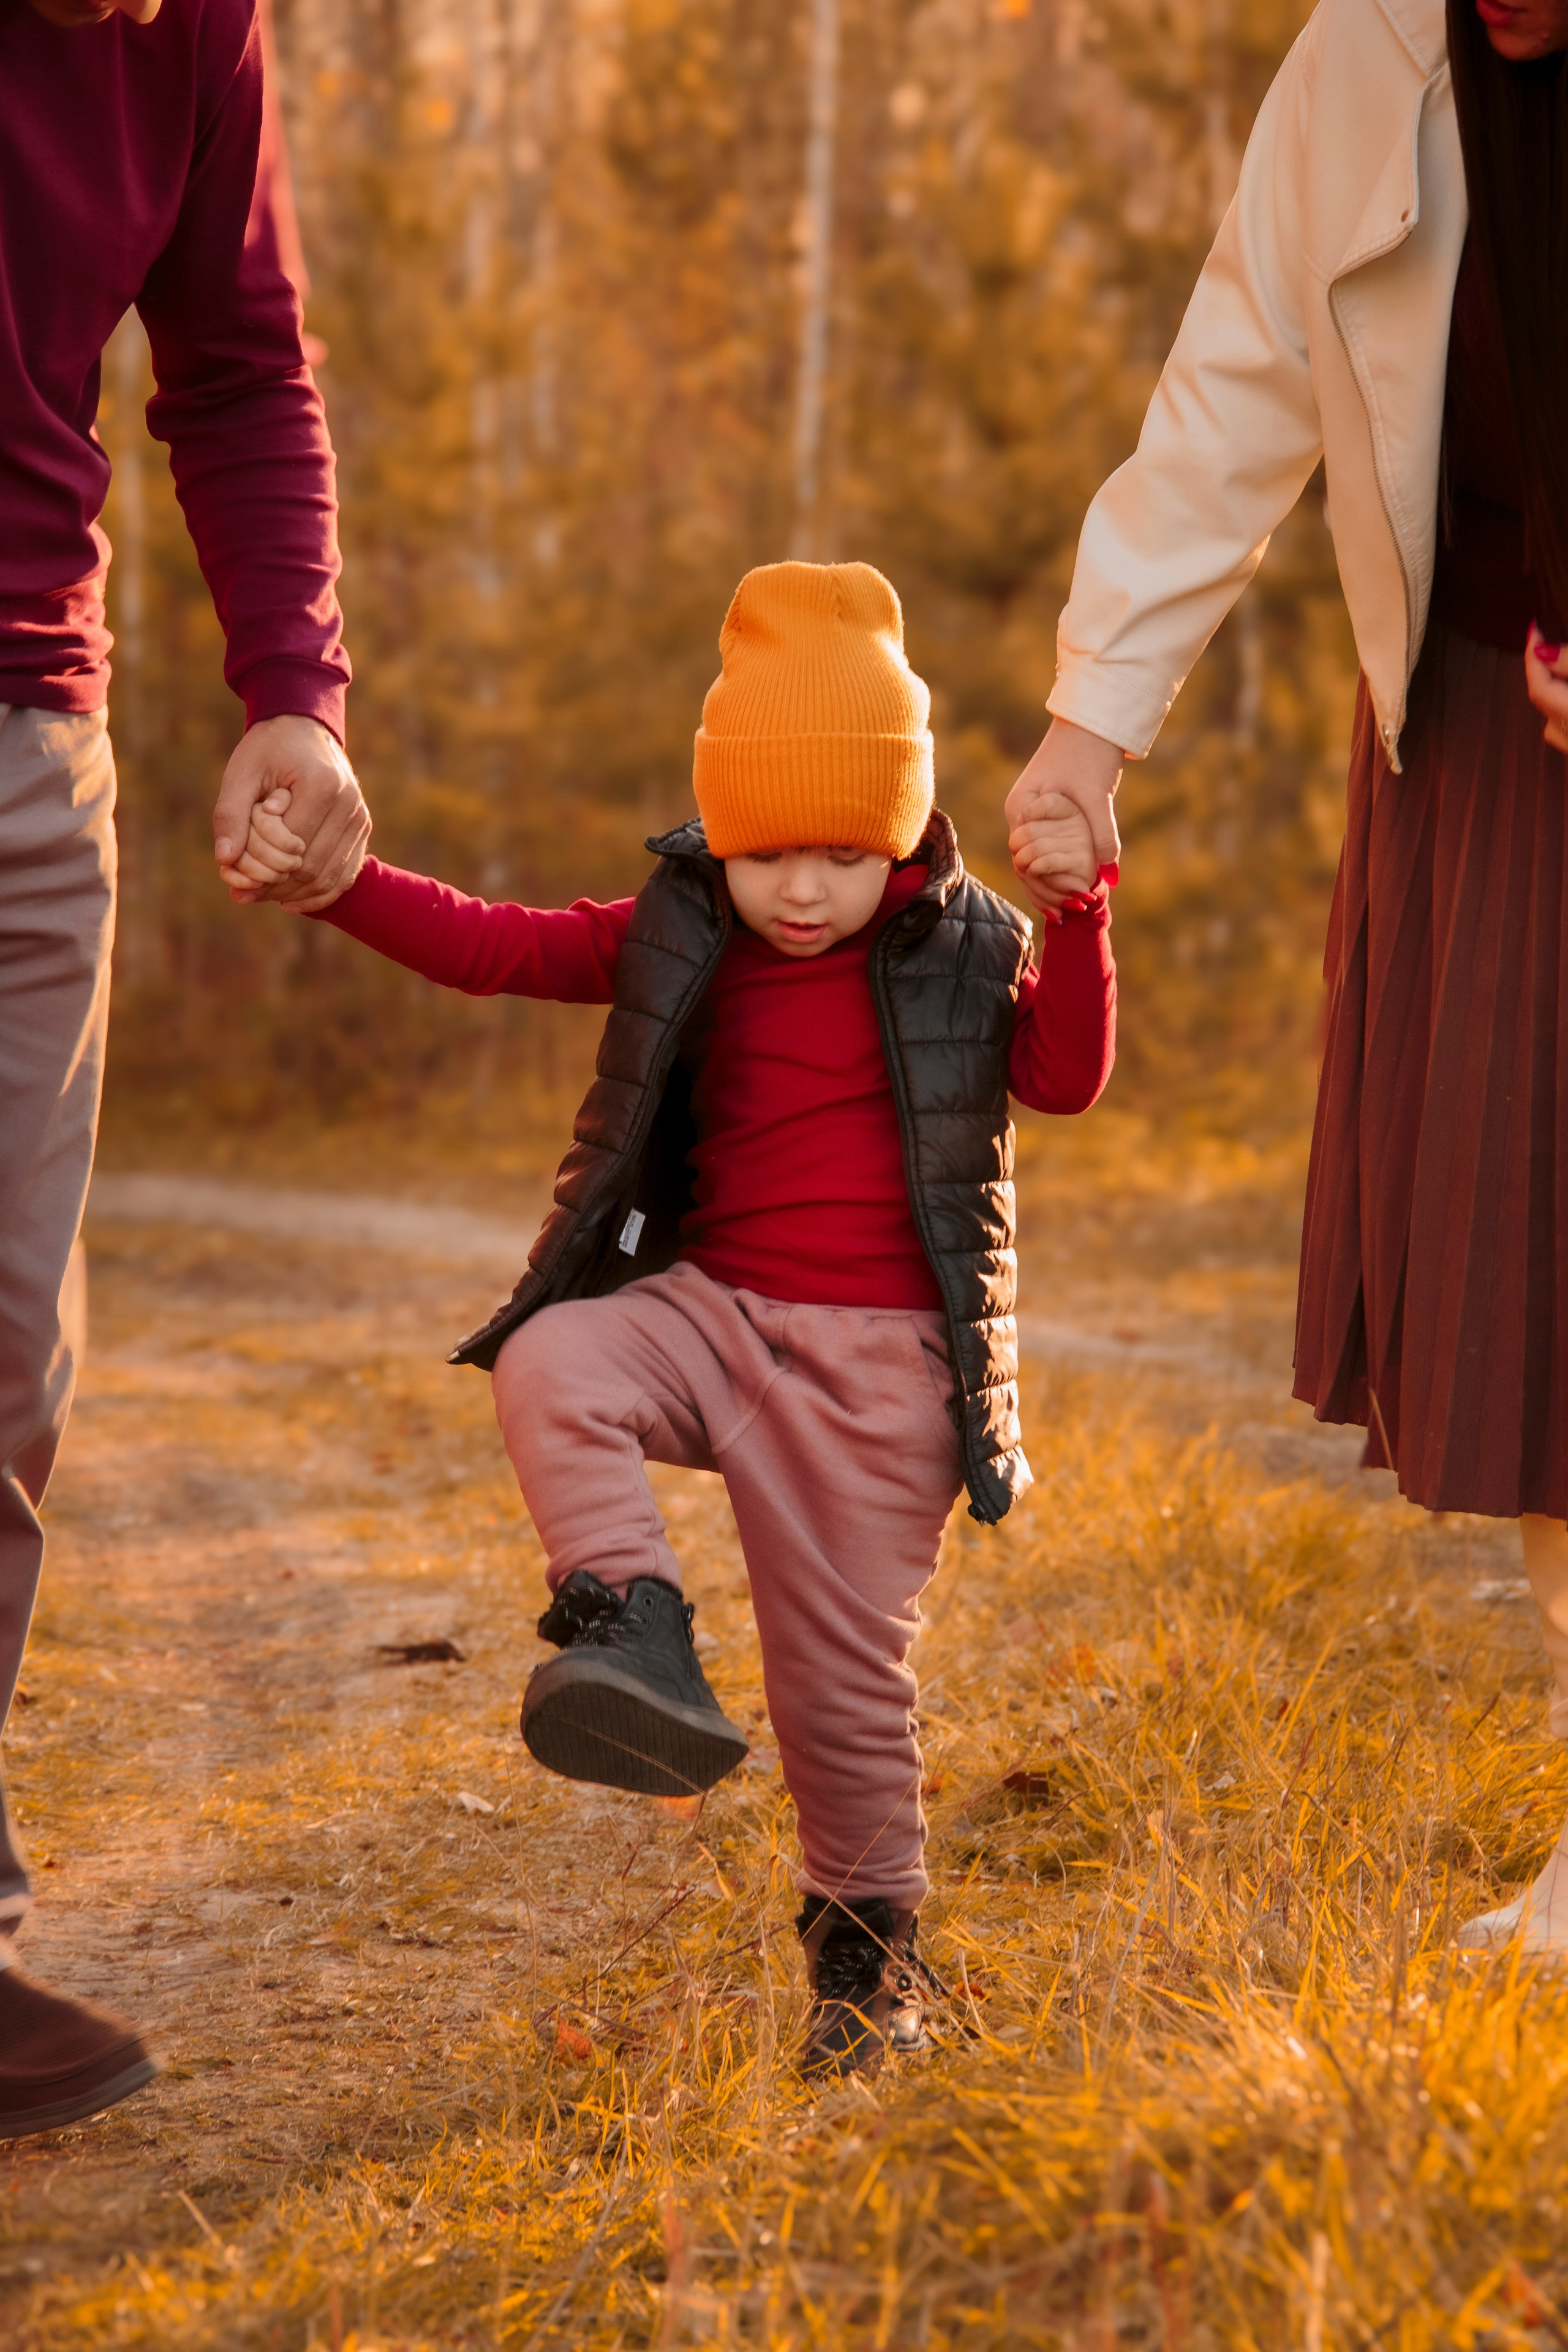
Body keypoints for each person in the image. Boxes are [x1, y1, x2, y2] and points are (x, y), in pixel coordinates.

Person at [232, 560, 1117, 2074]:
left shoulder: (967, 943)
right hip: (712, 1318)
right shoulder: (683, 924)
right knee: (555, 1352)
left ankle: (868, 1972)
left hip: (885, 1376)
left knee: (835, 1689)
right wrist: (343, 890)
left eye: (841, 853)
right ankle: (629, 1620)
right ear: (721, 827)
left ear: (899, 829)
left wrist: (1079, 916)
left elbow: (1066, 1076)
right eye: (768, 850)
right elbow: (499, 945)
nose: (800, 887)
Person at [1005, 0, 1568, 1951]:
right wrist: (1093, 720)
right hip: (1490, 734)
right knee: (1549, 1305)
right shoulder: (1369, 65)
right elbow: (1236, 386)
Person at [0, 0, 369, 2136]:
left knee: (5, 1370)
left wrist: (296, 692)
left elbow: (236, 369)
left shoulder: (196, 29)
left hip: (29, 744)